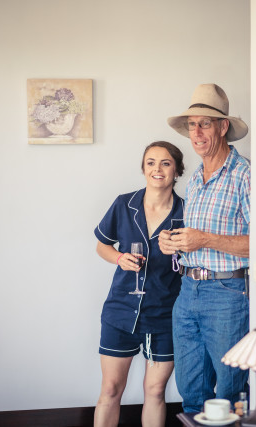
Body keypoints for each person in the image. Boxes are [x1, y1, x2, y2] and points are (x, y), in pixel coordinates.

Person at [159, 83, 251, 413]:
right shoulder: (196, 178)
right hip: (187, 290)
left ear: (223, 127)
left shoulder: (245, 174)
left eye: (205, 124)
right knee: (190, 389)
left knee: (228, 390)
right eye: (191, 125)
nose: (196, 133)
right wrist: (173, 244)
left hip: (227, 294)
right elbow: (193, 239)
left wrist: (204, 239)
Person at [93, 141, 185, 427]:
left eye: (166, 163)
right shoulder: (124, 204)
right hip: (120, 312)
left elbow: (196, 261)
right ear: (144, 168)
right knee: (110, 389)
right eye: (151, 162)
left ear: (177, 170)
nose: (157, 169)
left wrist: (181, 254)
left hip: (164, 315)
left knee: (155, 391)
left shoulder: (187, 212)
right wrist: (120, 258)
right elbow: (102, 246)